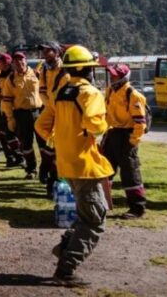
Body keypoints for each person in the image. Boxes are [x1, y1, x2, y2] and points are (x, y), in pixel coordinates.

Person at [35, 45, 113, 287]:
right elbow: (94, 124)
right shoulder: (90, 93)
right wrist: (100, 130)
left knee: (86, 213)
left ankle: (65, 248)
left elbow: (41, 126)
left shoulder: (60, 91)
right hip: (85, 164)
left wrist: (60, 141)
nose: (93, 71)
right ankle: (66, 268)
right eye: (91, 67)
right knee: (95, 220)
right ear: (84, 69)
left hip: (66, 163)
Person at [101, 64, 148, 219]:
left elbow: (140, 123)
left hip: (127, 135)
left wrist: (133, 141)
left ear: (123, 77)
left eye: (115, 75)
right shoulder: (109, 91)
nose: (112, 77)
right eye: (111, 75)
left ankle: (137, 208)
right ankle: (102, 203)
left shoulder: (133, 95)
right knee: (105, 169)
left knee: (130, 172)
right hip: (112, 133)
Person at [0, 52, 46, 180]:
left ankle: (46, 170)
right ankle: (31, 169)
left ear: (26, 61)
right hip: (21, 114)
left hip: (38, 112)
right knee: (26, 144)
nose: (19, 63)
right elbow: (6, 101)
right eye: (16, 61)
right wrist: (10, 118)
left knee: (44, 144)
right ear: (13, 64)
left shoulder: (38, 74)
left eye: (21, 60)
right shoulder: (10, 79)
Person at [36, 42, 65, 196]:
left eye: (49, 51)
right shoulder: (44, 70)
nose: (46, 54)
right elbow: (42, 91)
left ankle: (53, 185)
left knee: (57, 152)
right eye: (44, 52)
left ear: (57, 52)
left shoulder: (65, 69)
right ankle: (48, 178)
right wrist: (51, 107)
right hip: (51, 109)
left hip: (65, 111)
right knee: (40, 128)